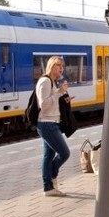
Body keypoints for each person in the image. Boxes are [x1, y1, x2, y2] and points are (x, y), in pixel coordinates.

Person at [34, 57, 72, 196]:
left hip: (52, 123)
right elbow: (43, 106)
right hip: (46, 124)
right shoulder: (45, 82)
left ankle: (48, 188)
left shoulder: (53, 82)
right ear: (51, 66)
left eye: (62, 66)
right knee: (64, 153)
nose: (61, 69)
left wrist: (63, 98)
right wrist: (59, 92)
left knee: (48, 156)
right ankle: (52, 176)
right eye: (58, 66)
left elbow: (53, 103)